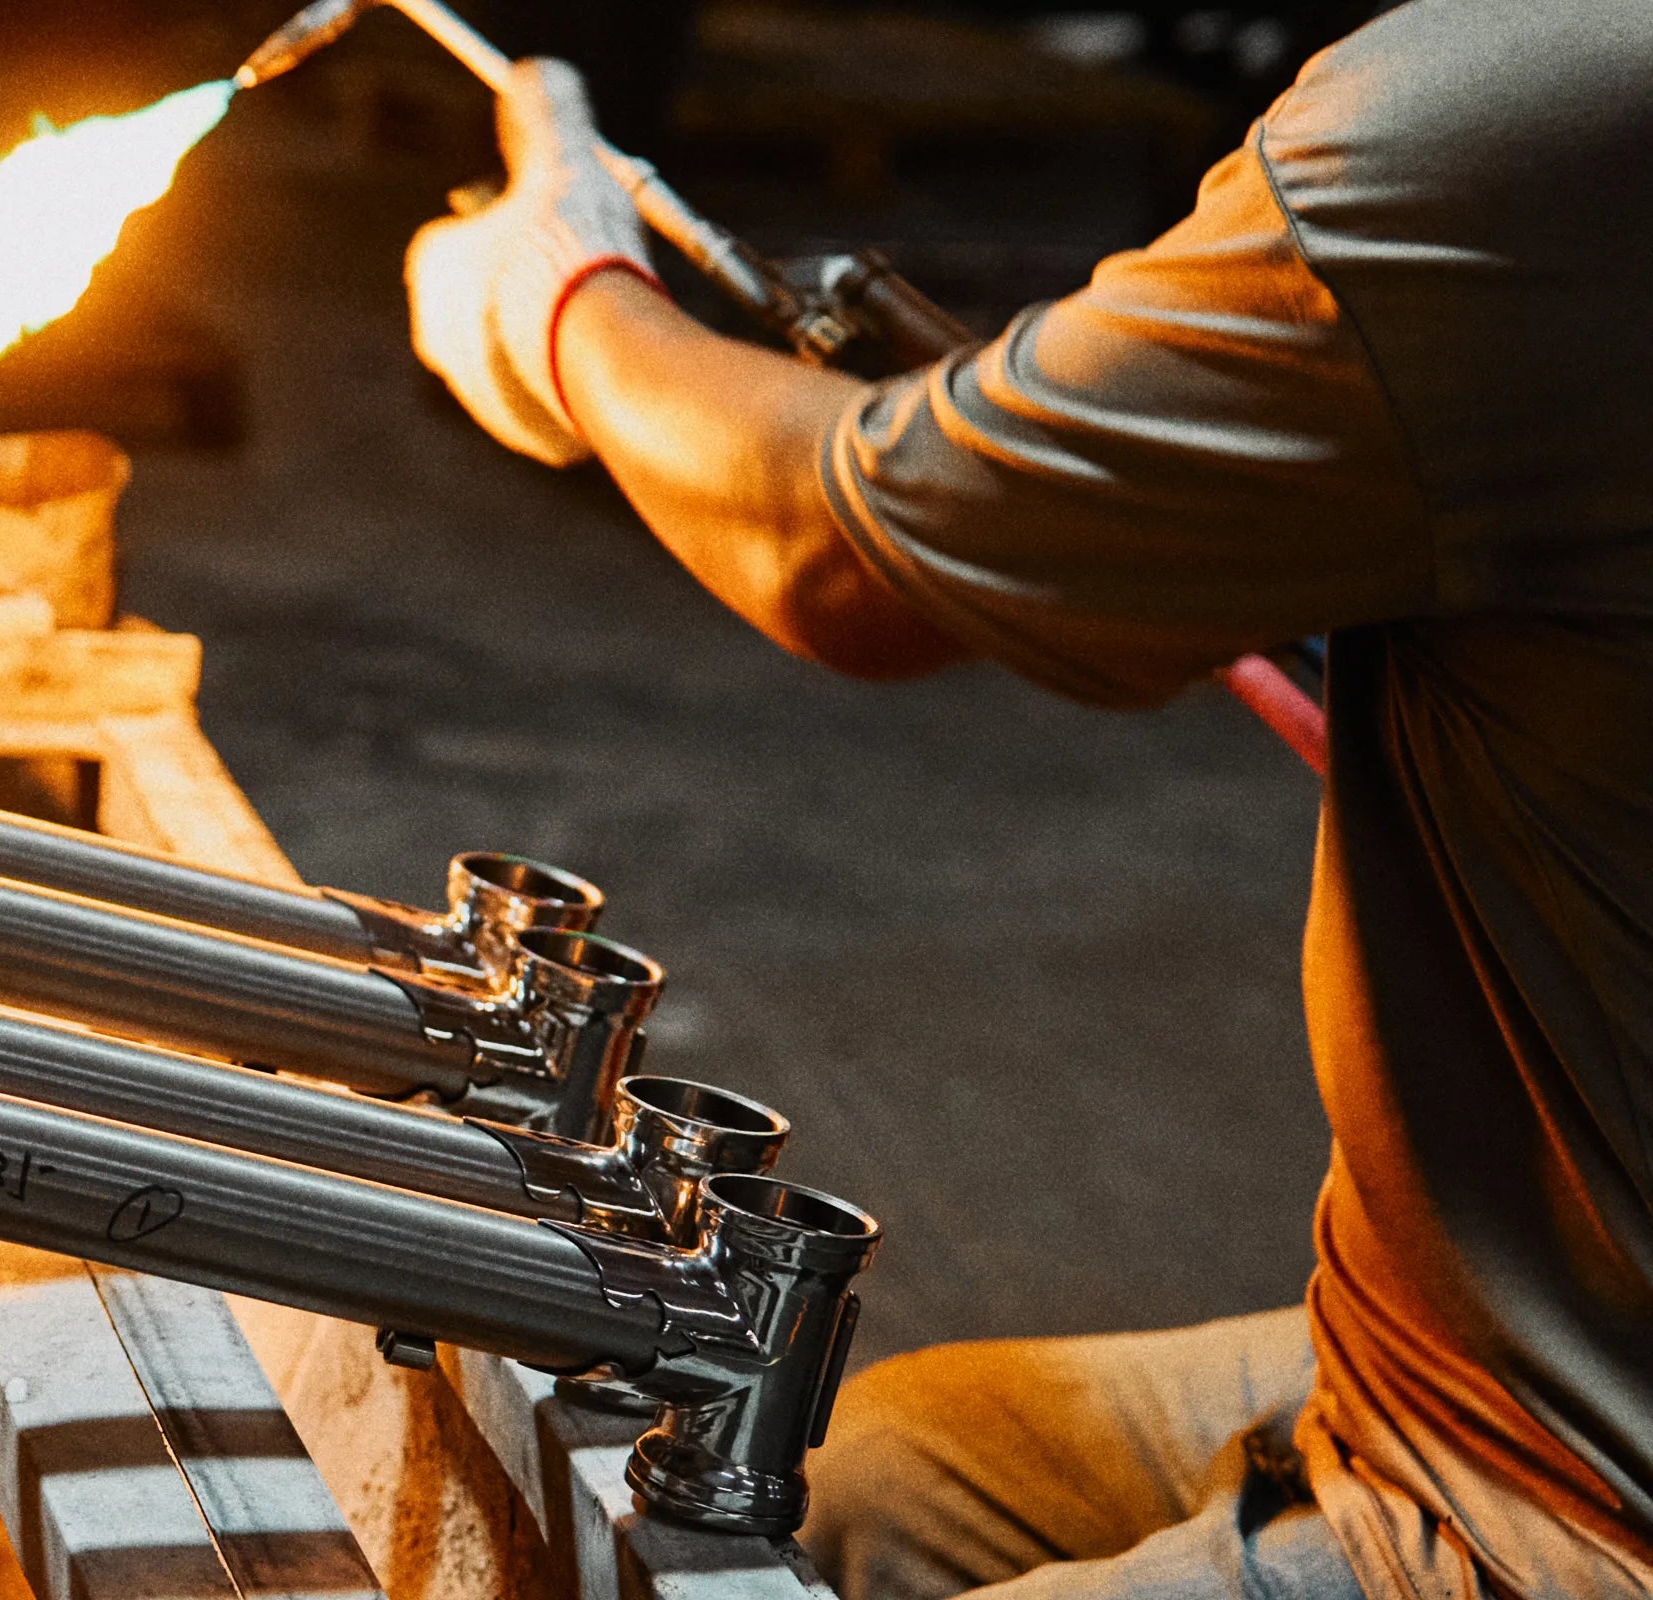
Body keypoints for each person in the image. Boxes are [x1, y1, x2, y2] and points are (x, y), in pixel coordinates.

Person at [399, 1, 1653, 1595]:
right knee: (867, 1485)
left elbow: (843, 549)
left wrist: (558, 296)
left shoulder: (1545, 114)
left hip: (1577, 1489)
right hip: (1476, 1330)